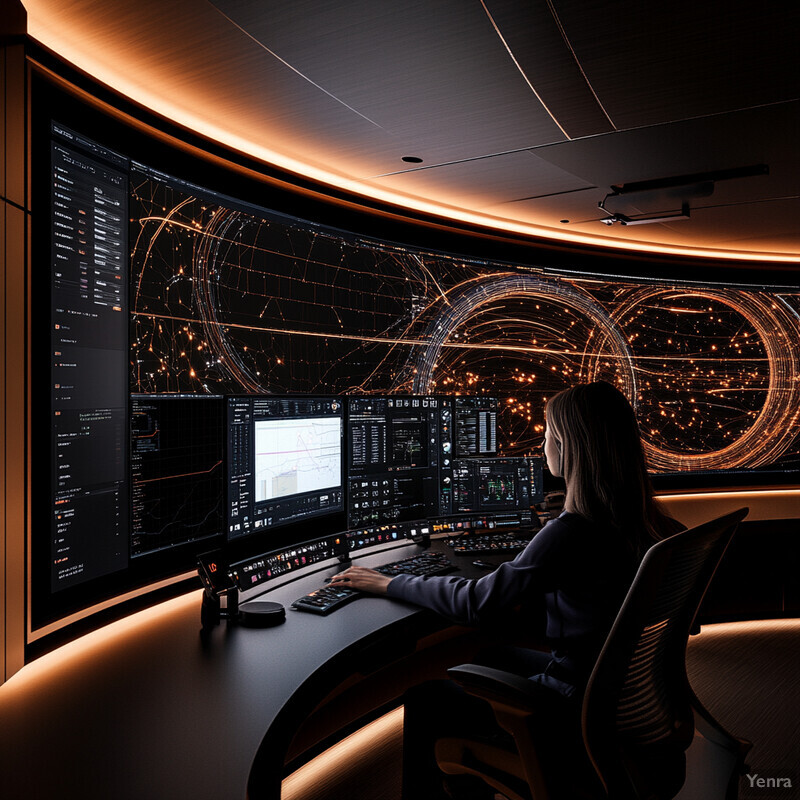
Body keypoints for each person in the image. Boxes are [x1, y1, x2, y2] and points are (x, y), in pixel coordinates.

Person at [331, 381, 681, 799]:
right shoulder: (652, 522)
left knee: (425, 699)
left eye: (548, 433)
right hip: (621, 699)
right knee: (489, 657)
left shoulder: (569, 534)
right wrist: (554, 525)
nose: (543, 443)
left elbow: (476, 603)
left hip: (575, 707)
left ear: (569, 447)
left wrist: (390, 583)